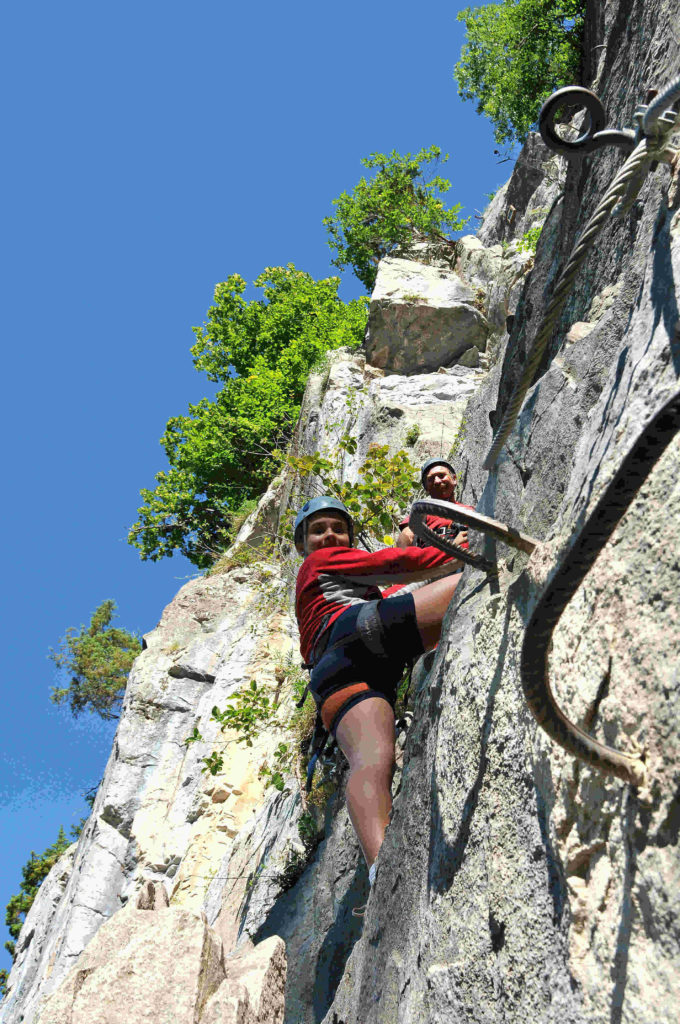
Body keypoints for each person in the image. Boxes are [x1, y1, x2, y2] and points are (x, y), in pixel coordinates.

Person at [294, 496, 464, 894]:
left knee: (371, 761)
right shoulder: (320, 562)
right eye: (318, 530)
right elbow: (393, 566)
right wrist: (461, 551)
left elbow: (397, 593)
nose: (330, 535)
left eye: (338, 528)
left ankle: (381, 873)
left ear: (350, 536)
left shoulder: (324, 585)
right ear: (303, 545)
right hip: (355, 634)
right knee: (471, 583)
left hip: (333, 675)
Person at [396, 458, 474, 552]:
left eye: (441, 475)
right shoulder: (421, 514)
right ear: (426, 488)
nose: (437, 481)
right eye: (431, 479)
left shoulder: (471, 511)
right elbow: (405, 539)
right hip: (433, 561)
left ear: (454, 479)